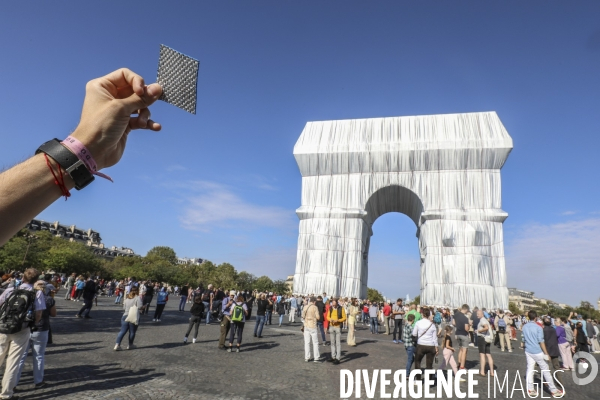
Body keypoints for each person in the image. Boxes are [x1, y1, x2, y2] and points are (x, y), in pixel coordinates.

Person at [0, 268, 46, 399]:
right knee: (13, 361)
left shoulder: (10, 290)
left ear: (23, 278)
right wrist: (33, 324)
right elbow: (38, 313)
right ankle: (6, 394)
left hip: (3, 326)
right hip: (22, 329)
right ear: (36, 280)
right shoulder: (36, 293)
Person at [16, 280, 56, 390]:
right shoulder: (49, 299)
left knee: (21, 356)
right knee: (39, 356)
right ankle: (38, 381)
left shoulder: (27, 296)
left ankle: (13, 382)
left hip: (25, 328)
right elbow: (54, 314)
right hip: (41, 329)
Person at [522, 311, 563, 398]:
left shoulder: (524, 326)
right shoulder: (538, 327)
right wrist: (546, 353)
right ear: (536, 317)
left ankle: (530, 388)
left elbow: (523, 338)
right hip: (537, 351)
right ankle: (553, 390)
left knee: (530, 369)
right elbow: (541, 341)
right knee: (546, 370)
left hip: (528, 350)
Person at [412, 308, 438, 379]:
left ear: (422, 314)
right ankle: (429, 380)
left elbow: (414, 334)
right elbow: (435, 338)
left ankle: (418, 379)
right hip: (431, 345)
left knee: (417, 362)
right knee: (429, 365)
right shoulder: (432, 325)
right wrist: (436, 347)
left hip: (421, 345)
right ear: (429, 315)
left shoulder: (418, 323)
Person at [542, 316, 563, 387]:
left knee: (546, 366)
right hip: (555, 349)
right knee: (556, 366)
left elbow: (543, 341)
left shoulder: (544, 330)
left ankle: (546, 381)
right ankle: (560, 381)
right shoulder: (554, 329)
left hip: (548, 350)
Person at [327, 299, 346, 365]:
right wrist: (330, 319)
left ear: (337, 303)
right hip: (331, 326)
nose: (333, 306)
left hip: (338, 327)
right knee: (332, 342)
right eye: (333, 304)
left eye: (334, 305)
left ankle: (338, 358)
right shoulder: (330, 308)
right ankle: (333, 356)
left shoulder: (341, 308)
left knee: (338, 343)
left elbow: (344, 318)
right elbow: (327, 317)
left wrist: (338, 320)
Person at [476, 309, 494, 377]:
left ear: (482, 314)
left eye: (478, 314)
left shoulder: (482, 320)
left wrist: (479, 331)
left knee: (482, 355)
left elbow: (486, 327)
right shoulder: (485, 319)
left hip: (482, 338)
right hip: (487, 339)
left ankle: (482, 371)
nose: (477, 315)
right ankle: (492, 372)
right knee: (488, 355)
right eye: (477, 314)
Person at [302, 296, 321, 362]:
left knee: (307, 342)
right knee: (315, 343)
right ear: (314, 301)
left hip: (306, 325)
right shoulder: (315, 307)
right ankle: (316, 357)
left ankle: (307, 357)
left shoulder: (305, 307)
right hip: (313, 325)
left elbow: (302, 316)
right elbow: (318, 317)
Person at [452, 305, 471, 371]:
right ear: (466, 310)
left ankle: (459, 363)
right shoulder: (465, 318)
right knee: (464, 351)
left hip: (458, 333)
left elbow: (453, 323)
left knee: (460, 349)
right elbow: (466, 329)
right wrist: (469, 327)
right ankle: (462, 367)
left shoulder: (456, 314)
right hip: (464, 334)